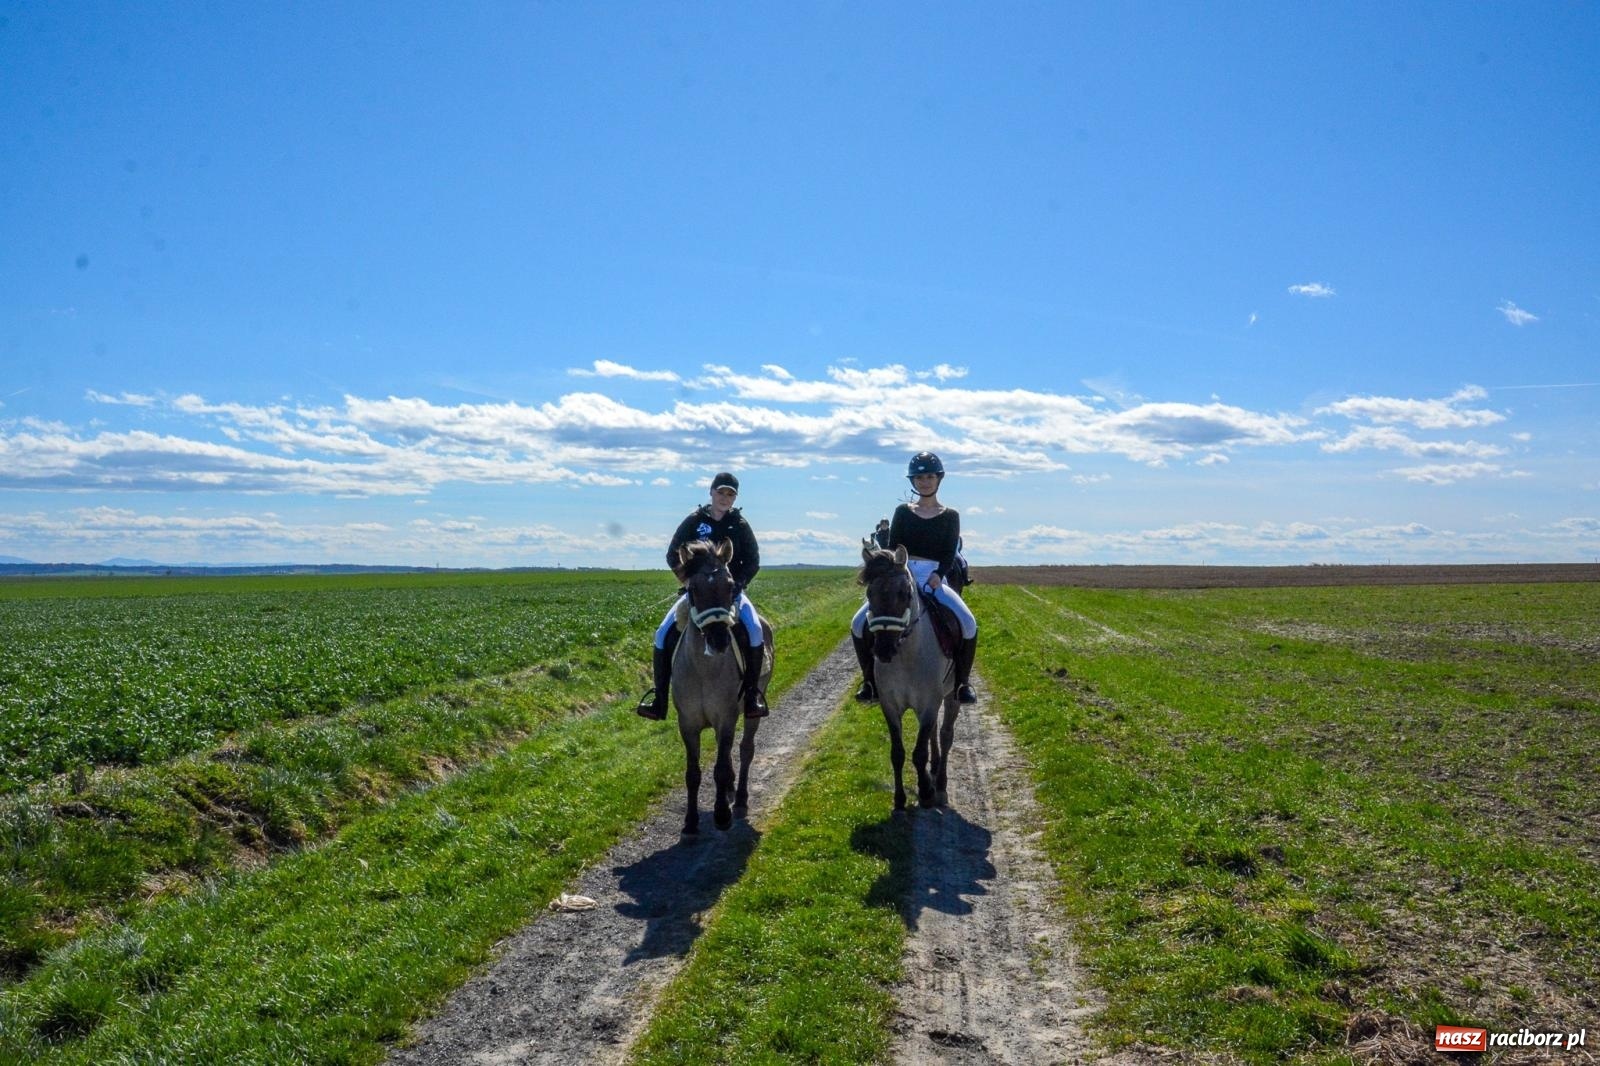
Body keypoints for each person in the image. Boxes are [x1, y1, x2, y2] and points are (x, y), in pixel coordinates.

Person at [636, 471, 768, 721]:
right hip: (698, 594)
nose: (724, 498)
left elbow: (753, 560)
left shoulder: (739, 525)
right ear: (711, 492)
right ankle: (660, 699)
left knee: (755, 630)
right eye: (721, 492)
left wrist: (738, 584)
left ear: (735, 498)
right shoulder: (694, 521)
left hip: (730, 594)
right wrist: (687, 582)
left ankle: (751, 696)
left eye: (730, 494)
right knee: (662, 634)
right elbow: (672, 554)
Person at [852, 451, 979, 704]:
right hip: (902, 575)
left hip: (934, 577)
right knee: (857, 623)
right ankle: (869, 682)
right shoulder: (903, 512)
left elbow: (948, 552)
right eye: (920, 478)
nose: (925, 482)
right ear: (913, 481)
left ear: (939, 479)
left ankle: (962, 683)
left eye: (930, 477)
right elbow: (893, 547)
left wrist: (938, 575)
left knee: (969, 623)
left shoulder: (951, 515)